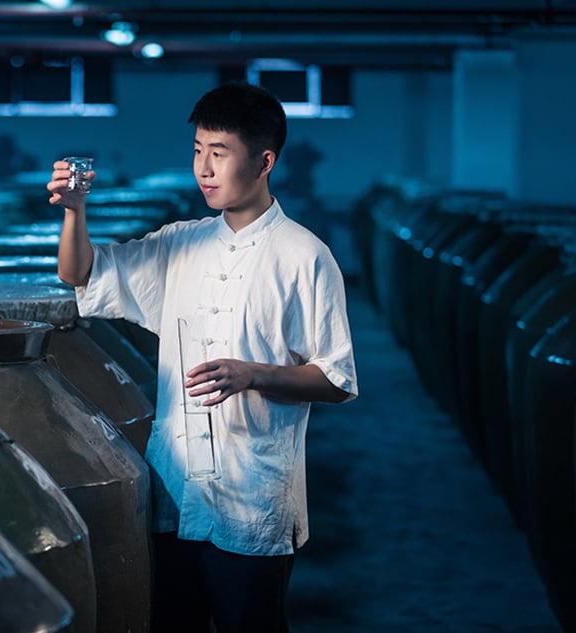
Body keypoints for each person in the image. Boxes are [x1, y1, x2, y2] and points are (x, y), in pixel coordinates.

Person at [48, 81, 358, 633]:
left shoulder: (305, 257)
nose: (204, 169)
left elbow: (335, 379)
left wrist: (254, 375)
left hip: (254, 492)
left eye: (220, 153)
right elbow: (82, 274)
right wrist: (74, 211)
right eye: (198, 151)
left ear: (265, 161)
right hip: (175, 485)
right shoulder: (179, 244)